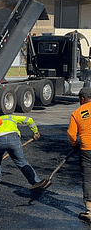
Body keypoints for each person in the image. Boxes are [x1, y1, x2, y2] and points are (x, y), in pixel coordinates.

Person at [0, 115, 41, 188]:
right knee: (21, 162)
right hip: (13, 138)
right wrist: (35, 131)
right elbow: (29, 120)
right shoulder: (11, 117)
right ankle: (36, 182)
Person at [67, 87, 91, 222]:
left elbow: (71, 133)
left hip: (87, 149)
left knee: (88, 178)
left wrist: (75, 145)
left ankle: (90, 211)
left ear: (82, 99)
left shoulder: (77, 113)